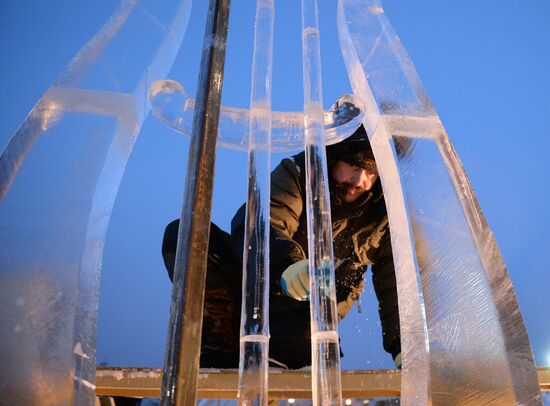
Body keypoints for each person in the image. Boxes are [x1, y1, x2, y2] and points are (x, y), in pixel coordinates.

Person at [162, 125, 401, 369]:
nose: (360, 180)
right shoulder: (299, 173)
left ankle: (284, 362)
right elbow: (262, 221)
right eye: (355, 166)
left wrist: (404, 348)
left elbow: (396, 283)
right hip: (256, 286)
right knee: (186, 235)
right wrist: (287, 264)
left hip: (306, 317)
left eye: (371, 173)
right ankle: (219, 345)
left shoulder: (385, 214)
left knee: (302, 338)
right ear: (336, 155)